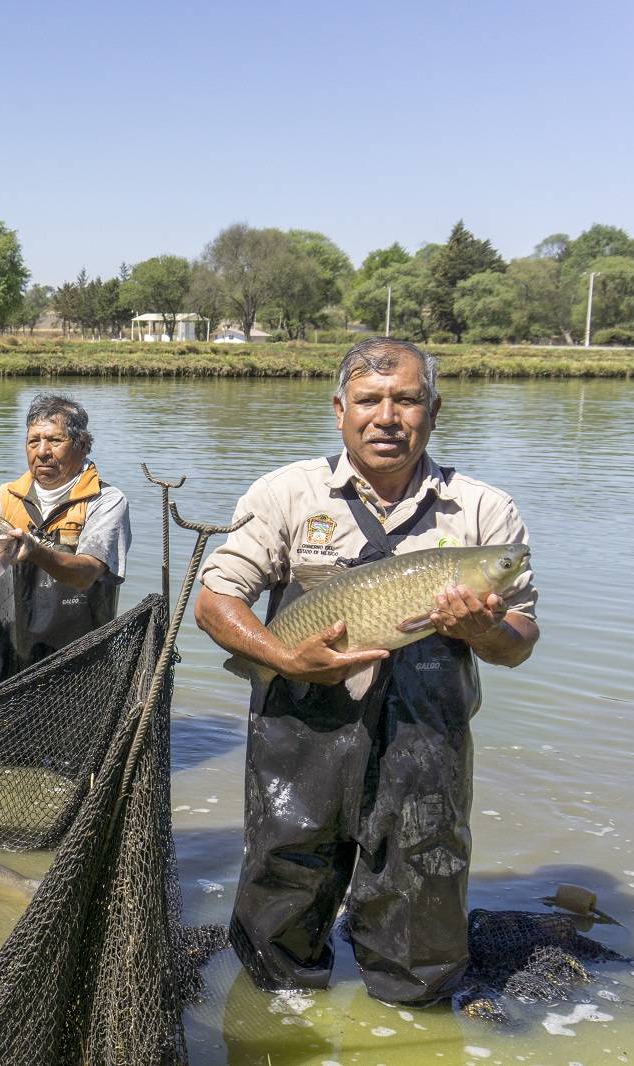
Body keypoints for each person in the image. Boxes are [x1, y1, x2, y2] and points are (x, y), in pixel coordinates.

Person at [194, 337, 539, 1006]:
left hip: (426, 747)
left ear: (433, 411)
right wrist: (281, 657)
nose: (387, 415)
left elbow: (519, 641)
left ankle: (406, 1032)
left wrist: (484, 629)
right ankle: (275, 1021)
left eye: (406, 399)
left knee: (421, 927)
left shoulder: (482, 511)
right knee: (280, 926)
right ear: (339, 409)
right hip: (300, 735)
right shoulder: (288, 493)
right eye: (370, 400)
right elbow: (215, 601)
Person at [0, 394, 131, 689]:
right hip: (5, 658)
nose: (42, 452)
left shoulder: (105, 501)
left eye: (54, 441)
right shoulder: (4, 498)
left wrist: (36, 551)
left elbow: (86, 573)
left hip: (79, 663)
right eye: (33, 442)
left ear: (83, 445)